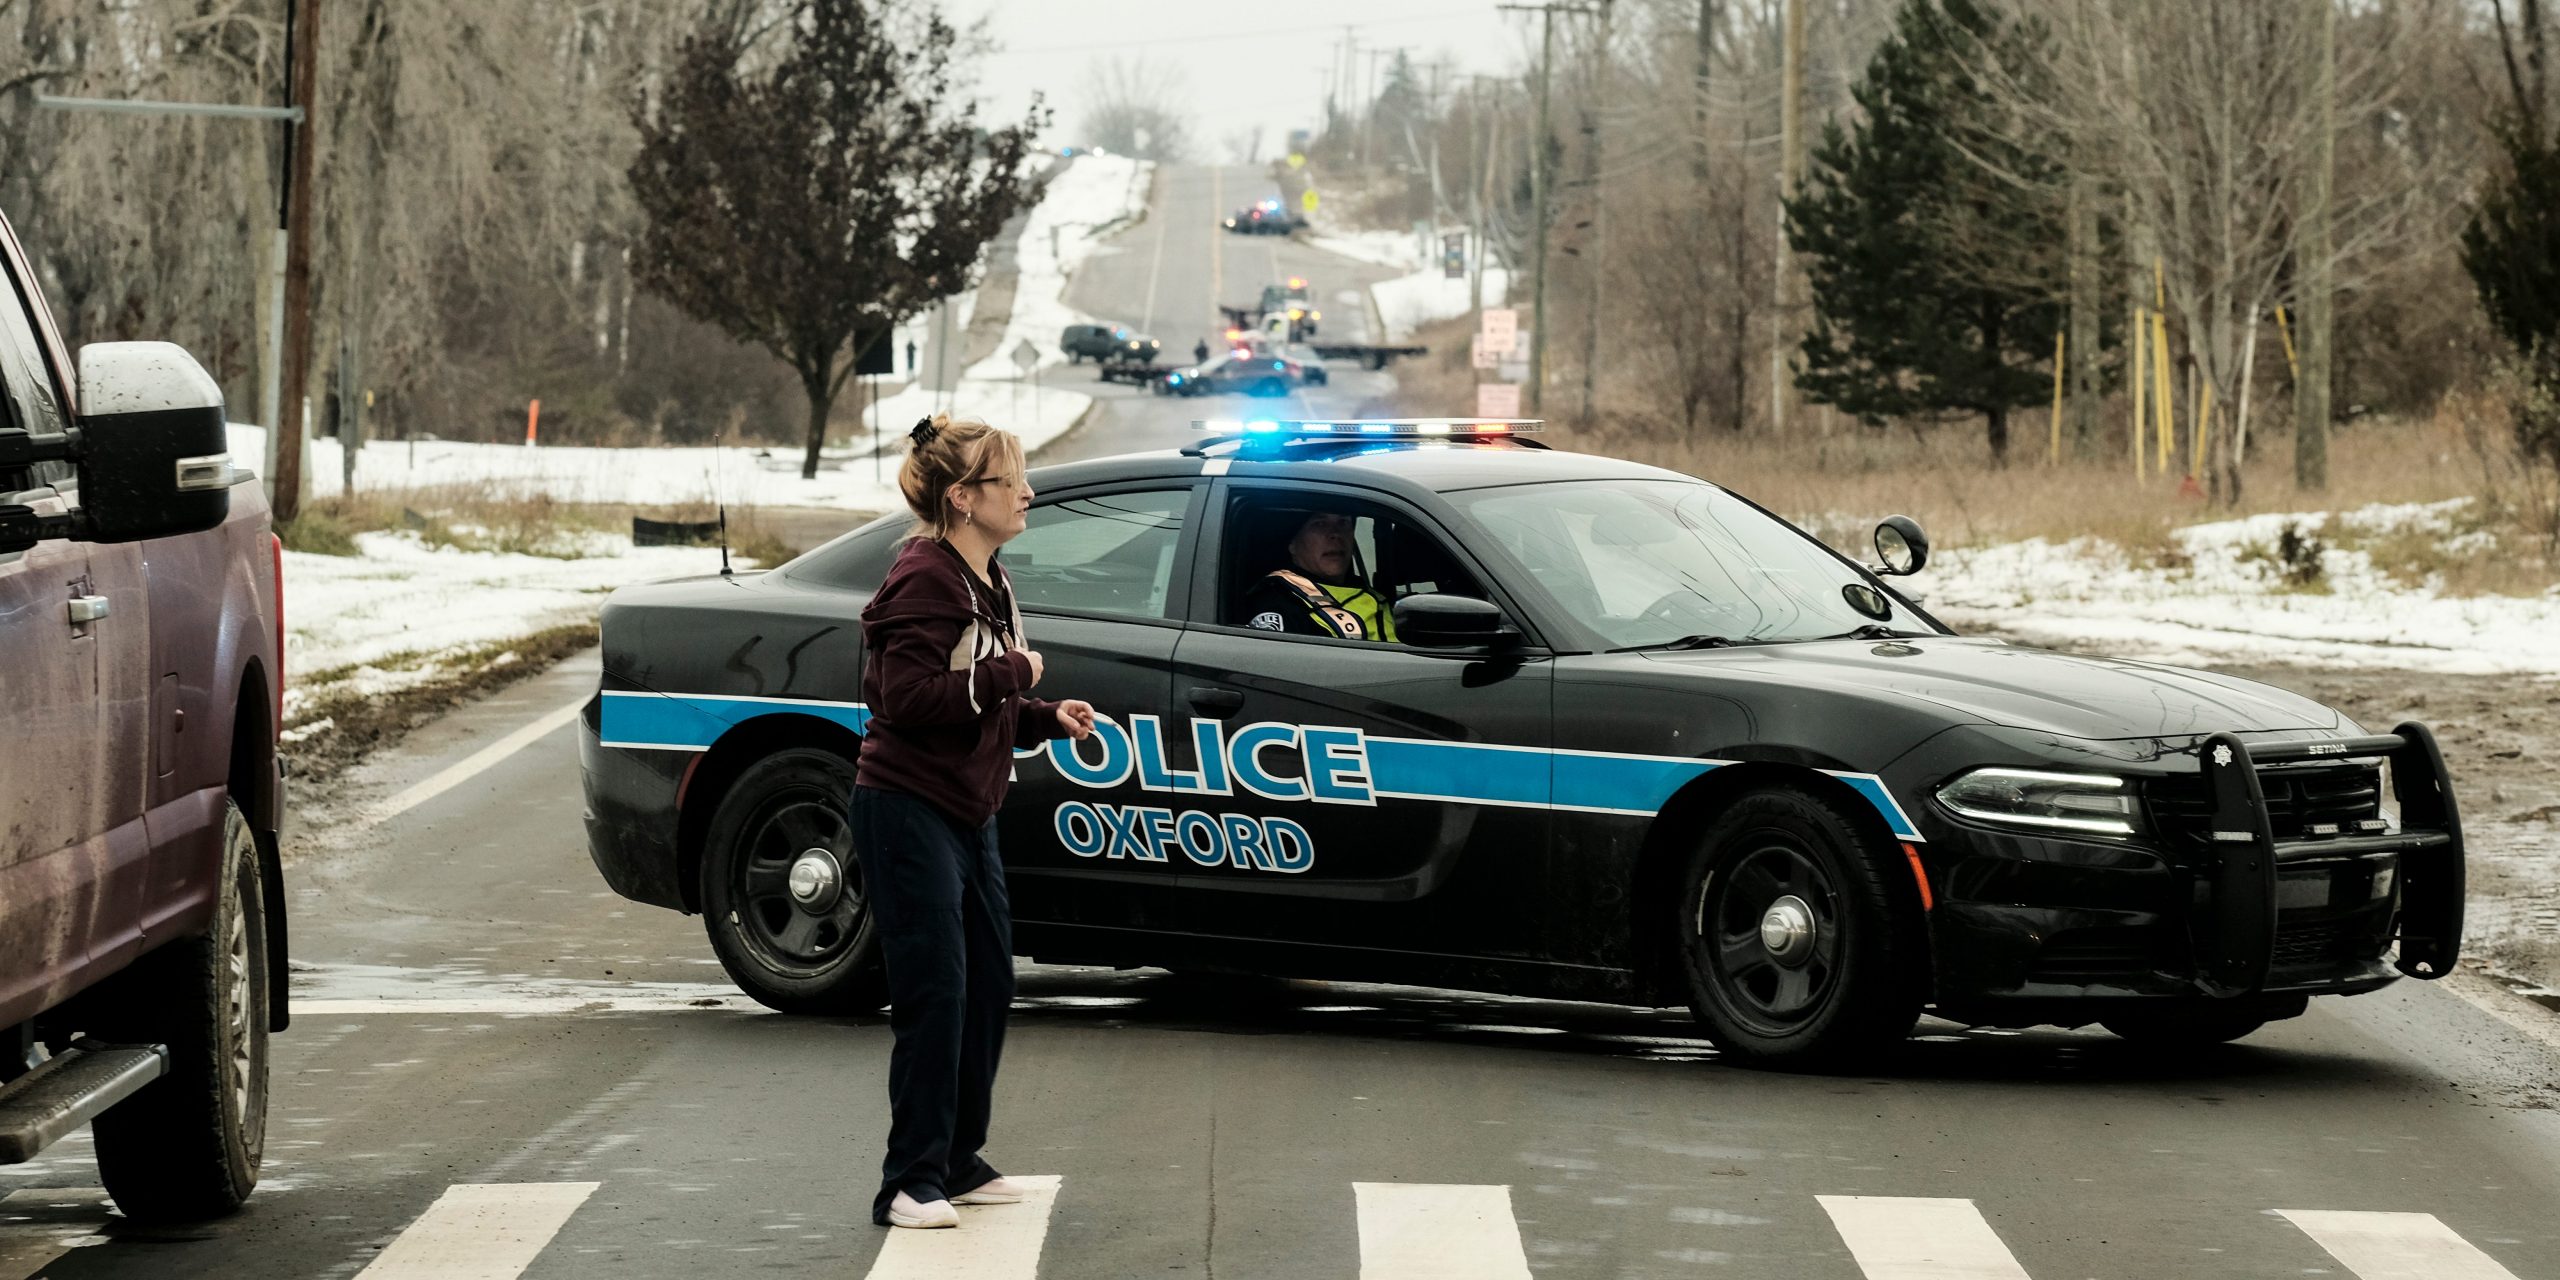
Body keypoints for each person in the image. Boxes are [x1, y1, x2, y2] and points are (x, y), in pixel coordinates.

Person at [853, 414, 1097, 1231]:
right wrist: (1011, 672)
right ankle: (908, 1180)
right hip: (907, 807)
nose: (1028, 492)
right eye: (1009, 480)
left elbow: (972, 700)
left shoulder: (985, 575)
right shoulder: (924, 577)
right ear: (961, 498)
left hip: (968, 811)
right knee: (936, 994)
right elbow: (904, 701)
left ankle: (957, 1158)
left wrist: (1040, 714)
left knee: (989, 986)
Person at [1233, 509, 1398, 642]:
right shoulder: (1280, 603)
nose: (1335, 534)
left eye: (1343, 522)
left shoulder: (1370, 593)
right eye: (1319, 524)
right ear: (1293, 544)